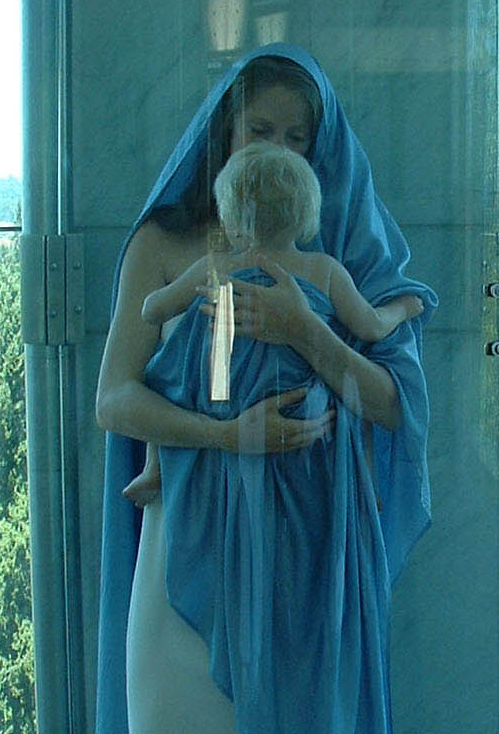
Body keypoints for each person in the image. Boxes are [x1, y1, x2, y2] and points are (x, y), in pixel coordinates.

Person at [92, 47, 435, 734]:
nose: (278, 151)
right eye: (259, 131)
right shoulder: (167, 244)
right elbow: (116, 397)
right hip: (188, 534)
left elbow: (390, 400)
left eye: (299, 136)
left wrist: (307, 330)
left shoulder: (349, 253)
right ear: (223, 138)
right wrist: (229, 437)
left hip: (307, 552)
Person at [123, 141, 424, 506]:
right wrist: (405, 308)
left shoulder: (217, 265)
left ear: (232, 220)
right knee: (349, 398)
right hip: (301, 405)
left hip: (222, 401)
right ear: (305, 217)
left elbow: (153, 311)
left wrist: (162, 296)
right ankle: (368, 481)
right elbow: (371, 326)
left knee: (161, 373)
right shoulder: (325, 270)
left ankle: (154, 465)